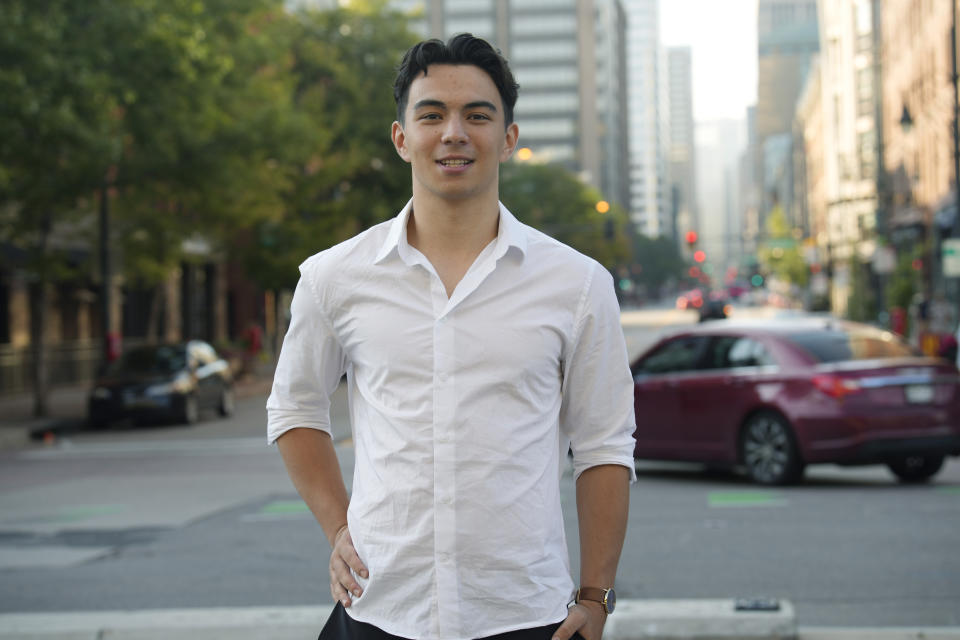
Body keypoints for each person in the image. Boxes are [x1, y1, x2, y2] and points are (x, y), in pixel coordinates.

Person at [267, 33, 636, 640]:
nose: (454, 133)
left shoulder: (577, 284)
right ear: (401, 137)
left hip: (525, 615)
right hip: (379, 608)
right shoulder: (334, 277)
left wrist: (595, 596)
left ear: (509, 138)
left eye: (478, 115)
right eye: (432, 114)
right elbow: (295, 407)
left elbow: (603, 445)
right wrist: (338, 529)